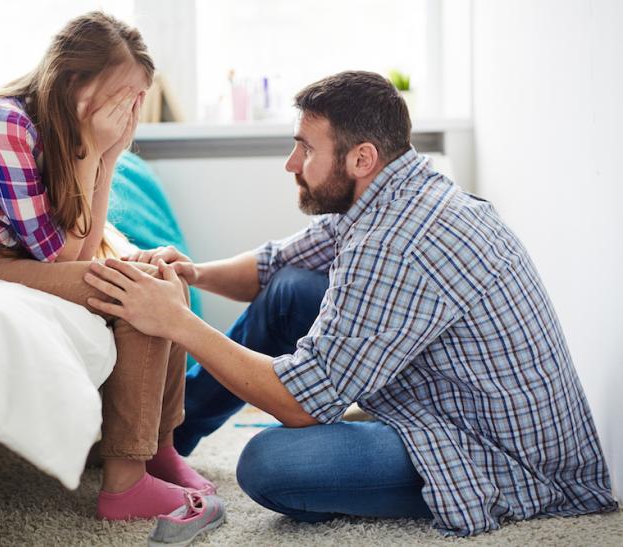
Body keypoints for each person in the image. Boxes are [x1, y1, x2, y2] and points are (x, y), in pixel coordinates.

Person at [83, 70, 618, 536]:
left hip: (500, 456)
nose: (291, 163)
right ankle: (166, 440)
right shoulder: (398, 187)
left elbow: (299, 404)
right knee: (291, 287)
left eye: (307, 148)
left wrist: (175, 321)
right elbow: (276, 263)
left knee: (270, 465)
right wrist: (192, 272)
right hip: (457, 398)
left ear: (362, 157)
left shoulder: (395, 242)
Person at [0, 12, 215, 521]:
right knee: (141, 292)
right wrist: (96, 153)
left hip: (3, 260)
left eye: (136, 100)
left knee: (163, 281)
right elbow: (60, 255)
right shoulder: (4, 122)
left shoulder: (51, 128)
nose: (126, 111)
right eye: (119, 96)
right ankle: (125, 484)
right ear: (73, 81)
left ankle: (159, 450)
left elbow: (79, 251)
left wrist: (108, 157)